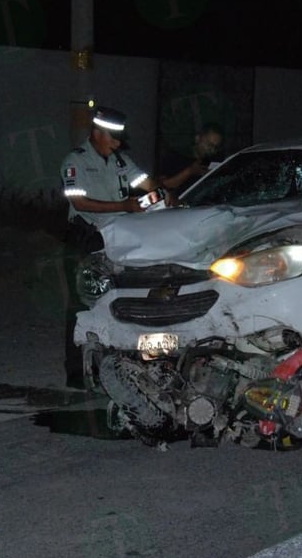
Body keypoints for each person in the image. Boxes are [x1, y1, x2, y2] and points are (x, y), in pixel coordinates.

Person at [60, 104, 165, 388]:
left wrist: (164, 197)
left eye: (119, 139)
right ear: (96, 133)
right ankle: (76, 373)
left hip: (118, 239)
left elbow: (146, 183)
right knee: (82, 303)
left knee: (123, 298)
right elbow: (78, 202)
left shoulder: (120, 161)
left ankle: (123, 366)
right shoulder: (76, 161)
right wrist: (124, 205)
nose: (118, 144)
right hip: (85, 238)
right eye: (112, 138)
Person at [158, 122, 224, 194]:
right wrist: (190, 171)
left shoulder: (214, 160)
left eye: (216, 147)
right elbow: (163, 185)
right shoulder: (176, 156)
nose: (212, 150)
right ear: (198, 138)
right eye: (209, 145)